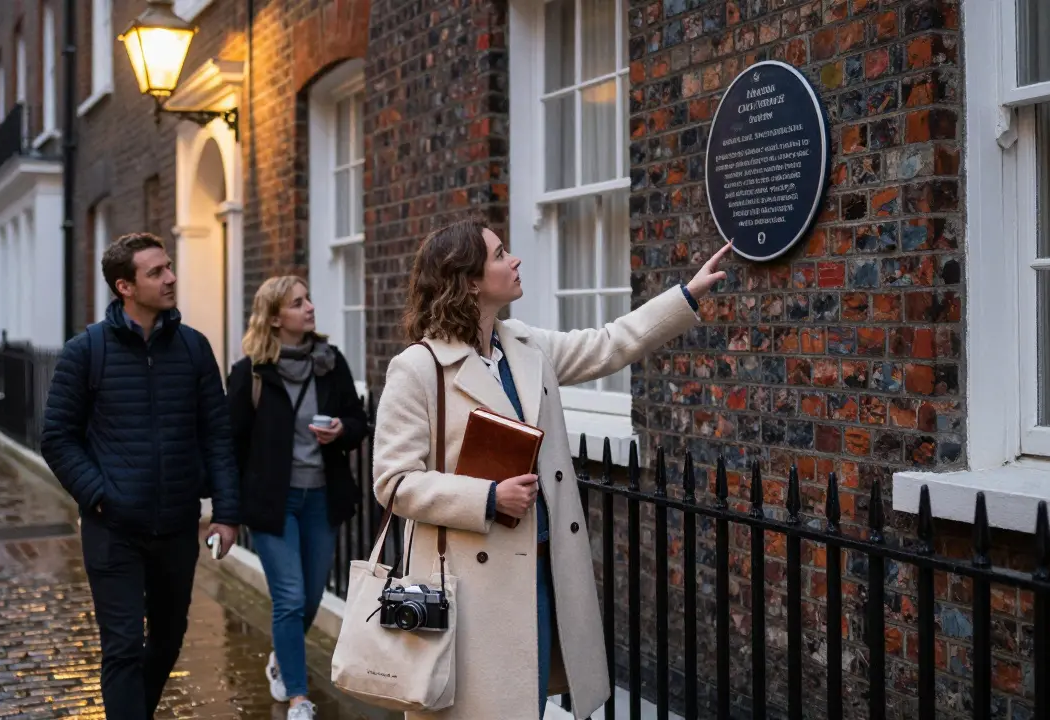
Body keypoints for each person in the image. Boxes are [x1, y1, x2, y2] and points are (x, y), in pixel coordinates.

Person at [372, 218, 730, 719]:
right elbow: (393, 482)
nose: (514, 260)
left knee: (527, 704)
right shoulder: (418, 368)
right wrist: (488, 499)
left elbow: (610, 344)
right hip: (469, 587)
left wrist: (686, 295)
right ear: (469, 279)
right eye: (500, 255)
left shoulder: (524, 345)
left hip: (539, 568)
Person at [40, 232, 240, 720]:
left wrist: (228, 513)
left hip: (176, 525)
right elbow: (57, 437)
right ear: (124, 286)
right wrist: (99, 495)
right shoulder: (86, 351)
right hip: (114, 530)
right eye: (156, 272)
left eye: (169, 267)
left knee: (168, 640)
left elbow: (217, 433)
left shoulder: (194, 348)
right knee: (124, 646)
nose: (171, 278)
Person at [226, 276, 368, 720]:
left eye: (308, 299)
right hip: (274, 503)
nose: (309, 308)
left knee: (309, 600)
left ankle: (281, 659)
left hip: (320, 499)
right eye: (297, 302)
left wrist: (342, 430)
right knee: (288, 599)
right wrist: (228, 509)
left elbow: (359, 420)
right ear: (273, 317)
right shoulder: (249, 372)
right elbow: (231, 444)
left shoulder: (330, 362)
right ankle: (298, 697)